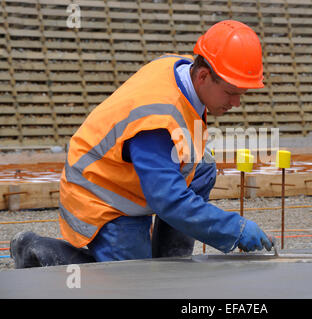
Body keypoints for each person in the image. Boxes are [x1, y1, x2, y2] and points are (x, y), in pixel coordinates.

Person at [10, 20, 273, 268]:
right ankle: (35, 248)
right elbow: (169, 200)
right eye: (231, 92)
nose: (236, 103)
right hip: (102, 192)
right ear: (203, 76)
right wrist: (234, 230)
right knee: (134, 279)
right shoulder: (156, 121)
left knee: (202, 166)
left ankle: (170, 262)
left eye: (241, 94)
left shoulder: (179, 69)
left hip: (128, 173)